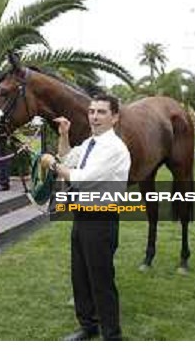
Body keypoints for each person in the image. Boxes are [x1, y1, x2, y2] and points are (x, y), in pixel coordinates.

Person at [42, 94, 131, 341]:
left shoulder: (113, 148)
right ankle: (88, 326)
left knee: (101, 280)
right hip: (82, 215)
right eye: (92, 111)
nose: (94, 116)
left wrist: (51, 165)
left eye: (101, 112)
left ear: (114, 117)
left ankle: (112, 336)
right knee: (80, 275)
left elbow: (84, 178)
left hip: (101, 218)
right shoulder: (91, 143)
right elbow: (68, 159)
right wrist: (63, 135)